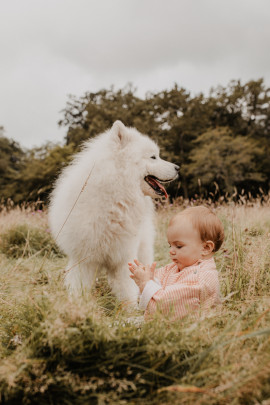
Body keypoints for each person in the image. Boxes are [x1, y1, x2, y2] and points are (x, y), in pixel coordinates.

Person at [128, 206, 224, 320]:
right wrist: (150, 278)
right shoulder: (178, 267)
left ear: (206, 248)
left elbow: (164, 305)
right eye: (170, 245)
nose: (171, 251)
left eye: (179, 246)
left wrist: (145, 283)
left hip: (185, 332)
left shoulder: (198, 279)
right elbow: (160, 279)